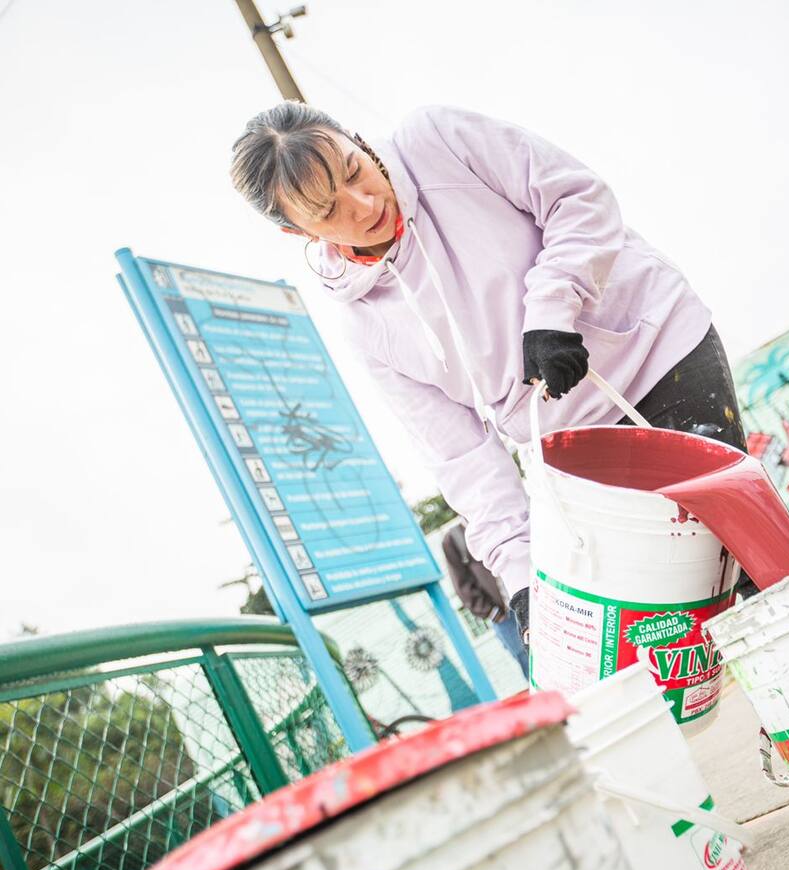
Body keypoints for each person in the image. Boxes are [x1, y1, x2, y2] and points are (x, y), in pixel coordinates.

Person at [230, 103, 752, 639]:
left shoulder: (437, 140)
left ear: (356, 140)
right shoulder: (365, 324)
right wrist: (521, 577)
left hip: (656, 348)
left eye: (353, 170)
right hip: (574, 444)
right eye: (327, 210)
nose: (363, 206)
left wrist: (552, 309)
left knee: (742, 552)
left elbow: (577, 197)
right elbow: (461, 456)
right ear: (299, 232)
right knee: (681, 614)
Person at [442, 521, 529, 677]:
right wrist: (492, 613)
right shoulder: (454, 538)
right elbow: (462, 586)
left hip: (530, 600)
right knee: (529, 666)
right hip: (506, 616)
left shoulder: (498, 517)